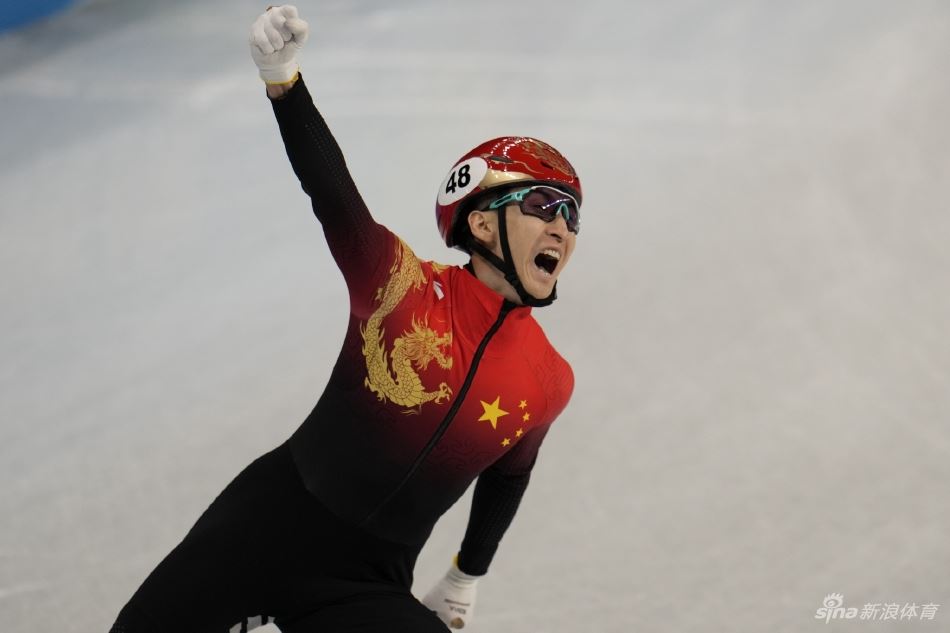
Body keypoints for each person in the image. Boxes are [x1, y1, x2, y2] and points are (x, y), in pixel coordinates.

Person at [109, 5, 582, 632]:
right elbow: (333, 196)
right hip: (262, 529)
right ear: (480, 222)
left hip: (362, 583)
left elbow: (508, 477)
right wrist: (284, 82)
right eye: (543, 204)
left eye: (571, 215)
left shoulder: (549, 380)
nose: (561, 227)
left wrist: (466, 576)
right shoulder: (399, 285)